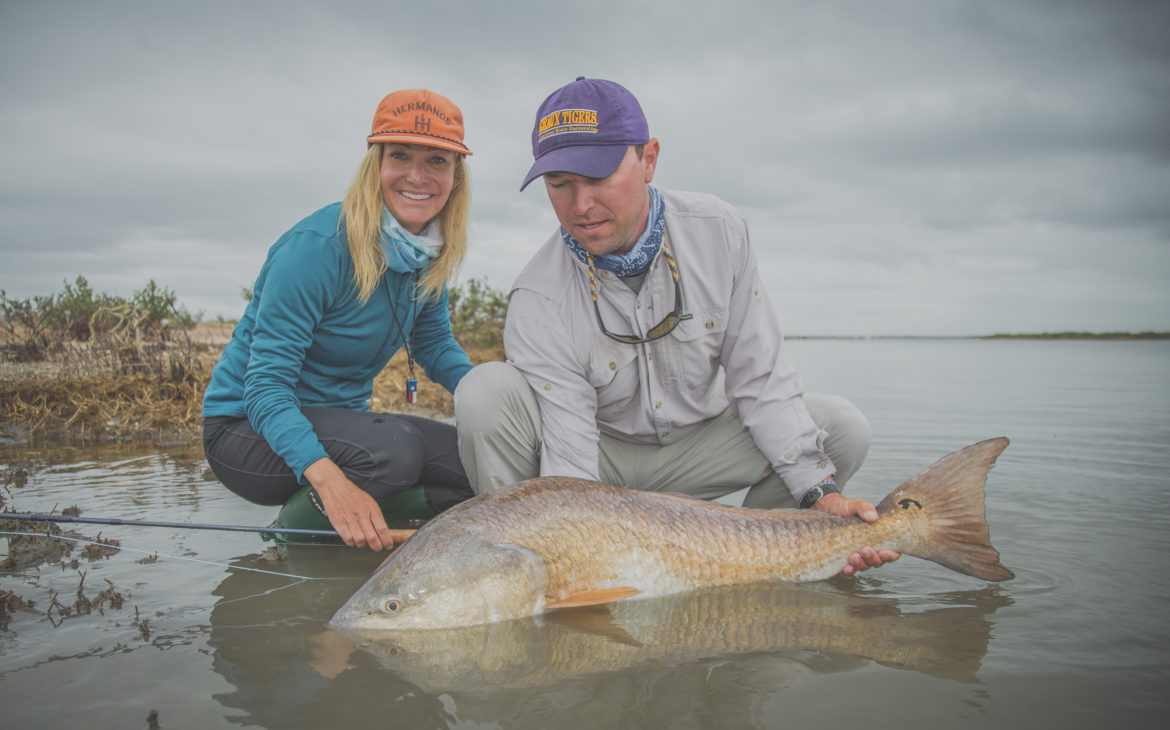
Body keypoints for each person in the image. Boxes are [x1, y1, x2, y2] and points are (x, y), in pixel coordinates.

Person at [455, 77, 897, 576]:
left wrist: (821, 492)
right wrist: (575, 541)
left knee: (841, 428)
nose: (579, 206)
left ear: (648, 159)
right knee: (484, 393)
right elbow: (571, 463)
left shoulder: (720, 230)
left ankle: (760, 559)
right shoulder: (537, 296)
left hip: (701, 444)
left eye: (597, 176)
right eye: (559, 184)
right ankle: (528, 568)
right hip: (603, 457)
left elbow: (759, 377)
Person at [203, 88, 475, 552]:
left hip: (342, 427)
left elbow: (434, 347)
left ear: (455, 176)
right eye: (401, 155)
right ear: (375, 164)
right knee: (396, 450)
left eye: (437, 161)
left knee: (471, 462)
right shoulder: (315, 248)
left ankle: (381, 527)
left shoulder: (427, 252)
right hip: (245, 431)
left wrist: (497, 400)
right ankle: (295, 533)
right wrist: (330, 480)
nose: (417, 176)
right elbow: (265, 389)